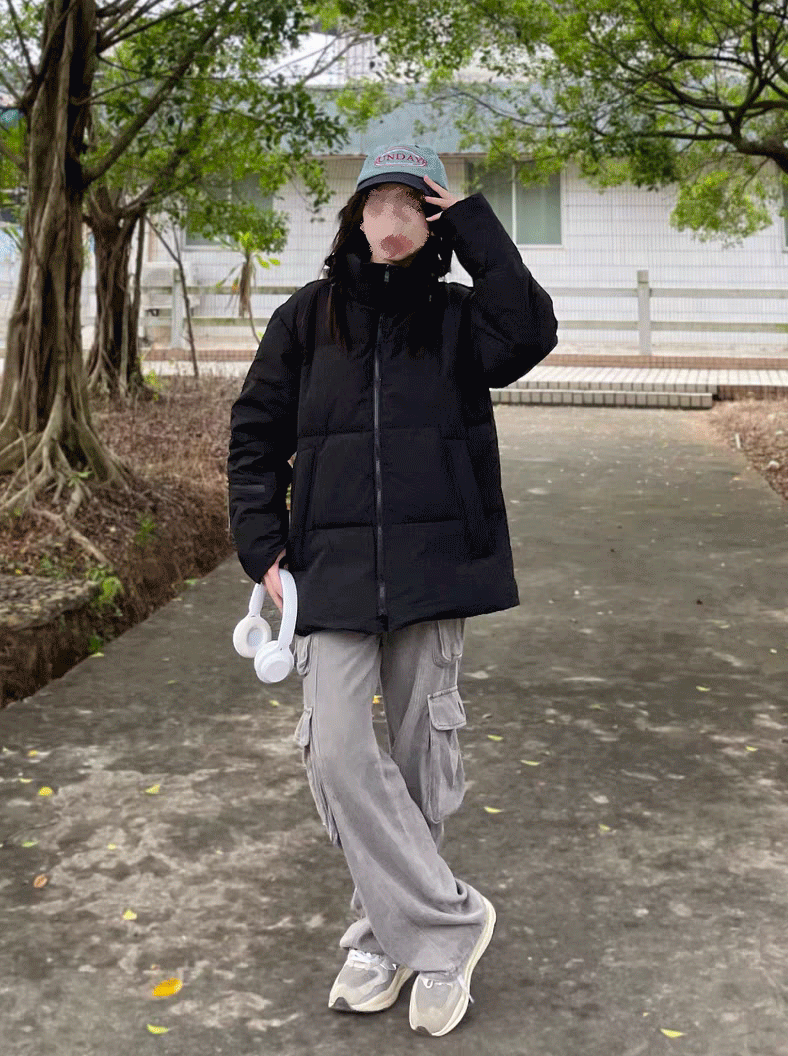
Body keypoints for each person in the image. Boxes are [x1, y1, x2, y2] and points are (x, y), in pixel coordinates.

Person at [227, 143, 558, 1036]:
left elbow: (529, 334)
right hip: (327, 573)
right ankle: (450, 928)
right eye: (380, 202)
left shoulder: (459, 319)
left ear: (432, 221)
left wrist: (477, 225)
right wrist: (263, 549)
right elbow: (255, 435)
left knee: (420, 762)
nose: (394, 218)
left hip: (434, 566)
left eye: (414, 205)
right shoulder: (306, 318)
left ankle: (387, 939)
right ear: (358, 218)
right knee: (337, 750)